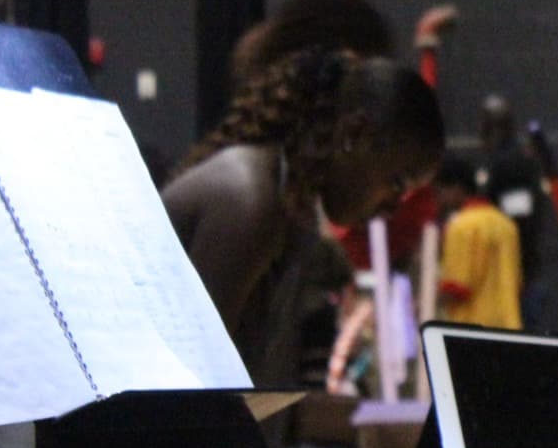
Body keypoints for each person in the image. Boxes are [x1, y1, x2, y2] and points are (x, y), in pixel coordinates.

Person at [161, 47, 444, 388]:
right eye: (397, 183)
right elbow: (185, 392)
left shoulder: (288, 209)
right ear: (355, 136)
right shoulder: (253, 199)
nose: (394, 207)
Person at [475, 94, 551, 333]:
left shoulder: (514, 163)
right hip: (504, 272)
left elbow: (520, 223)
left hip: (517, 274)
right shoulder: (499, 160)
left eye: (488, 126)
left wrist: (516, 273)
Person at [431, 151, 524, 330]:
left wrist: (422, 305)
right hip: (509, 329)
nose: (438, 200)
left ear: (456, 188)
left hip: (472, 332)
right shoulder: (506, 224)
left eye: (439, 192)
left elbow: (457, 287)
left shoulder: (461, 226)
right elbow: (517, 283)